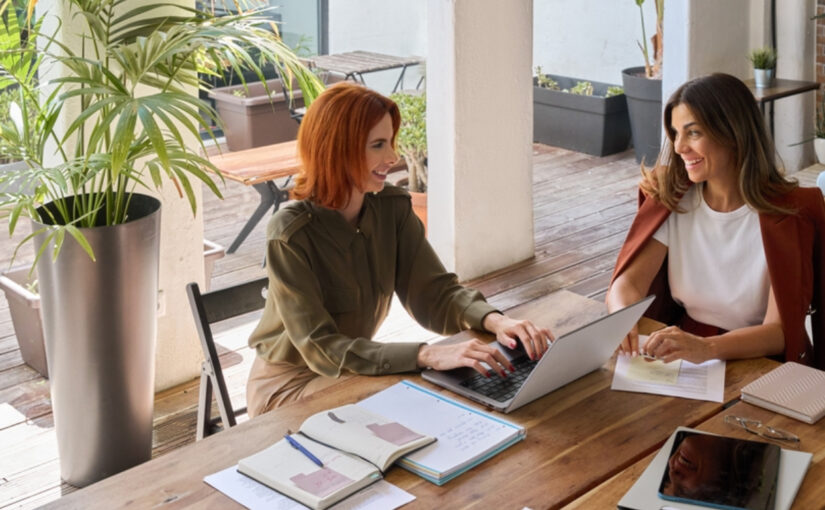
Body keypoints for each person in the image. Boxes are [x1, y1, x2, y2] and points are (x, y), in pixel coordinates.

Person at [246, 82, 553, 417]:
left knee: (443, 391)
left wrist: (495, 321)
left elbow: (435, 294)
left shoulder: (391, 208)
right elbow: (320, 347)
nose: (392, 158)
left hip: (355, 372)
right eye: (377, 145)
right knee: (416, 397)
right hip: (290, 387)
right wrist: (425, 355)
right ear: (336, 149)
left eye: (389, 142)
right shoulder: (291, 234)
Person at [607, 73, 825, 368]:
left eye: (693, 132)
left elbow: (781, 332)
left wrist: (706, 348)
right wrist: (622, 317)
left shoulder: (792, 212)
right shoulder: (673, 199)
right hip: (685, 351)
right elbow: (628, 283)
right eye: (675, 132)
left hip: (762, 359)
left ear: (734, 133)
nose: (679, 146)